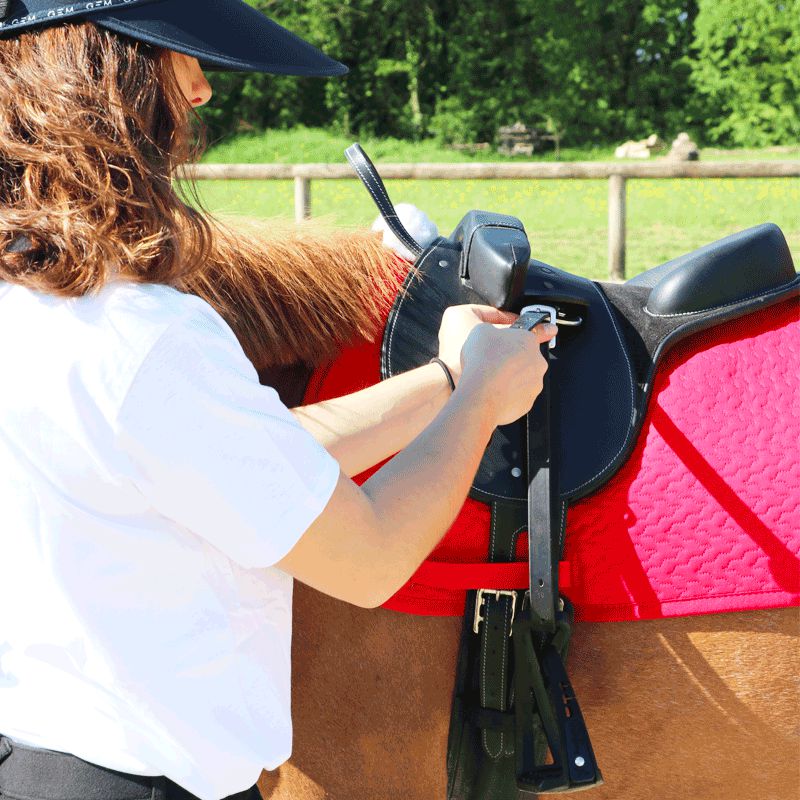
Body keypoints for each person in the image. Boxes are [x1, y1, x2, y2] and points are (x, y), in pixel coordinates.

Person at [0, 2, 556, 799]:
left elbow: (256, 451)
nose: (200, 91)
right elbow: (369, 558)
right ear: (100, 80)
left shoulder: (35, 304)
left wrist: (445, 377)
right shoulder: (150, 339)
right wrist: (481, 404)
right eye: (174, 57)